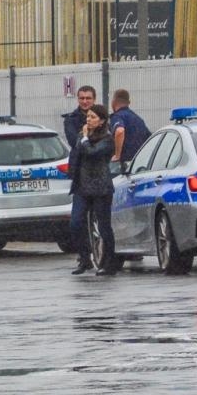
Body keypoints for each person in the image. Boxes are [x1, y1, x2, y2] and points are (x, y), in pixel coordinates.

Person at [70, 103, 120, 276]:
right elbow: (77, 151)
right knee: (76, 223)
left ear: (102, 121)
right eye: (88, 117)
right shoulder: (82, 135)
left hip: (100, 187)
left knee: (103, 226)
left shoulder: (107, 139)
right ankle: (84, 258)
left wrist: (84, 139)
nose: (88, 120)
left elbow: (92, 152)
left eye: (93, 117)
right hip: (82, 186)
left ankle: (109, 262)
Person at [62, 85, 98, 258]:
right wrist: (89, 133)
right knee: (76, 222)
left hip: (99, 176)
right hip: (80, 177)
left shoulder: (103, 117)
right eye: (82, 98)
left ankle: (104, 256)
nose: (85, 101)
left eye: (88, 98)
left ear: (94, 99)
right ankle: (84, 257)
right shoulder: (71, 119)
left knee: (102, 222)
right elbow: (73, 140)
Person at [110, 89, 150, 166]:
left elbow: (120, 131)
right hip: (139, 163)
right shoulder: (138, 119)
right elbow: (148, 138)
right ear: (129, 103)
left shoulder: (117, 116)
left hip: (125, 164)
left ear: (113, 102)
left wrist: (117, 155)